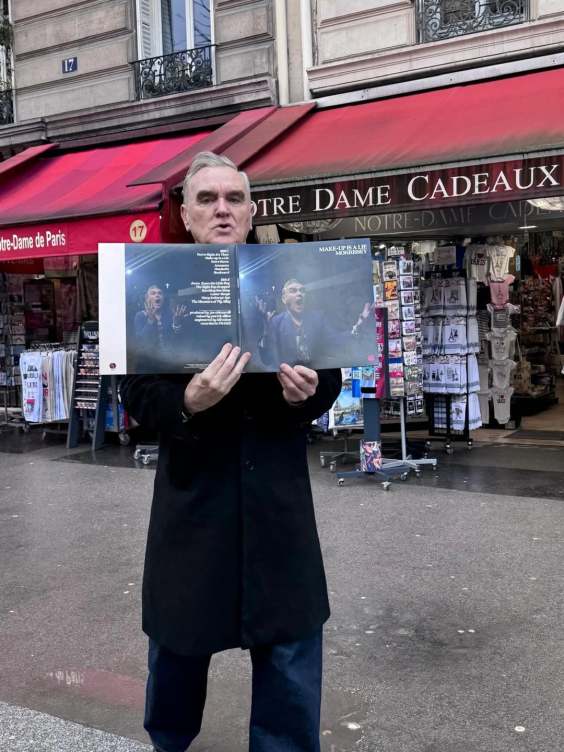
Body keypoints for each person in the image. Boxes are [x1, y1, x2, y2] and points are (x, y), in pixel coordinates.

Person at [119, 151, 342, 752]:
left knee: (290, 648)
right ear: (186, 215)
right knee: (178, 647)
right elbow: (135, 392)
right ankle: (168, 742)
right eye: (208, 199)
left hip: (276, 501)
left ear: (250, 212)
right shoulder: (153, 284)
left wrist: (308, 394)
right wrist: (187, 401)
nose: (222, 209)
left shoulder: (285, 281)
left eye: (234, 198)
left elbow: (330, 373)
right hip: (195, 503)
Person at [257, 278, 372, 370]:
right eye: (293, 291)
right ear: (284, 298)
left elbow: (335, 340)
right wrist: (266, 328)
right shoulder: (276, 322)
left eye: (302, 290)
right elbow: (267, 359)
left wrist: (358, 326)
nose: (299, 294)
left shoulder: (318, 318)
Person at [132, 285, 188, 372]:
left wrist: (176, 323)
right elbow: (141, 341)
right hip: (148, 364)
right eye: (153, 293)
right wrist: (150, 320)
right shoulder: (140, 316)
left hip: (168, 363)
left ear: (163, 299)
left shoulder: (170, 314)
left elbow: (177, 339)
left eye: (160, 293)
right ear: (147, 298)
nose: (157, 295)